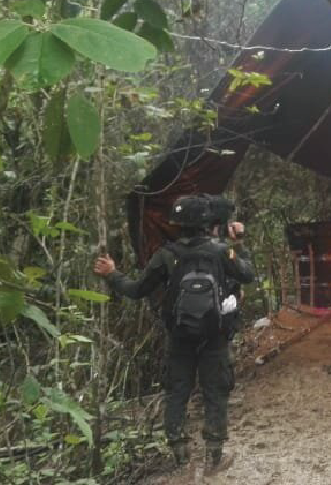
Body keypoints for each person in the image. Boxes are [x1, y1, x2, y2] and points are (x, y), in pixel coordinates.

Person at [92, 194, 254, 469]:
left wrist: (112, 274)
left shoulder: (166, 255)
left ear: (177, 224)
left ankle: (180, 453)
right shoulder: (221, 251)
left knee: (177, 391)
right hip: (214, 335)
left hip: (179, 336)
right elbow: (247, 275)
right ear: (206, 222)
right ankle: (214, 456)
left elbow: (136, 290)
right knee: (215, 391)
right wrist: (238, 242)